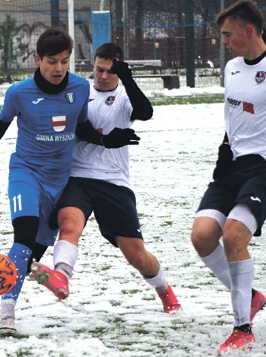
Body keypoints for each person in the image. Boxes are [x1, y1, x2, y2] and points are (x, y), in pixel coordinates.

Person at [0, 28, 139, 338]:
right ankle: (7, 313)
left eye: (65, 61)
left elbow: (81, 126)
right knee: (25, 235)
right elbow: (1, 124)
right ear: (38, 59)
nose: (59, 69)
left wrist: (107, 141)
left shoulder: (80, 88)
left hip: (60, 181)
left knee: (34, 254)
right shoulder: (19, 93)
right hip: (26, 174)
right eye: (52, 62)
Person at [27, 42, 182, 315]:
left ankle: (164, 290)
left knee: (137, 255)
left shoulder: (124, 97)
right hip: (77, 178)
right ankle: (61, 275)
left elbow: (145, 112)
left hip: (113, 181)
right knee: (69, 223)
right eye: (98, 69)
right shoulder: (77, 92)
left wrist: (129, 79)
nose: (103, 76)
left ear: (118, 72)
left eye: (110, 71)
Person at [189, 0, 266, 352]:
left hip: (263, 168)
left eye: (227, 34)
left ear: (248, 31)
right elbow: (235, 120)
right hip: (231, 166)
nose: (223, 41)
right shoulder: (233, 68)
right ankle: (250, 296)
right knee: (203, 236)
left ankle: (242, 329)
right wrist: (225, 151)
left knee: (234, 235)